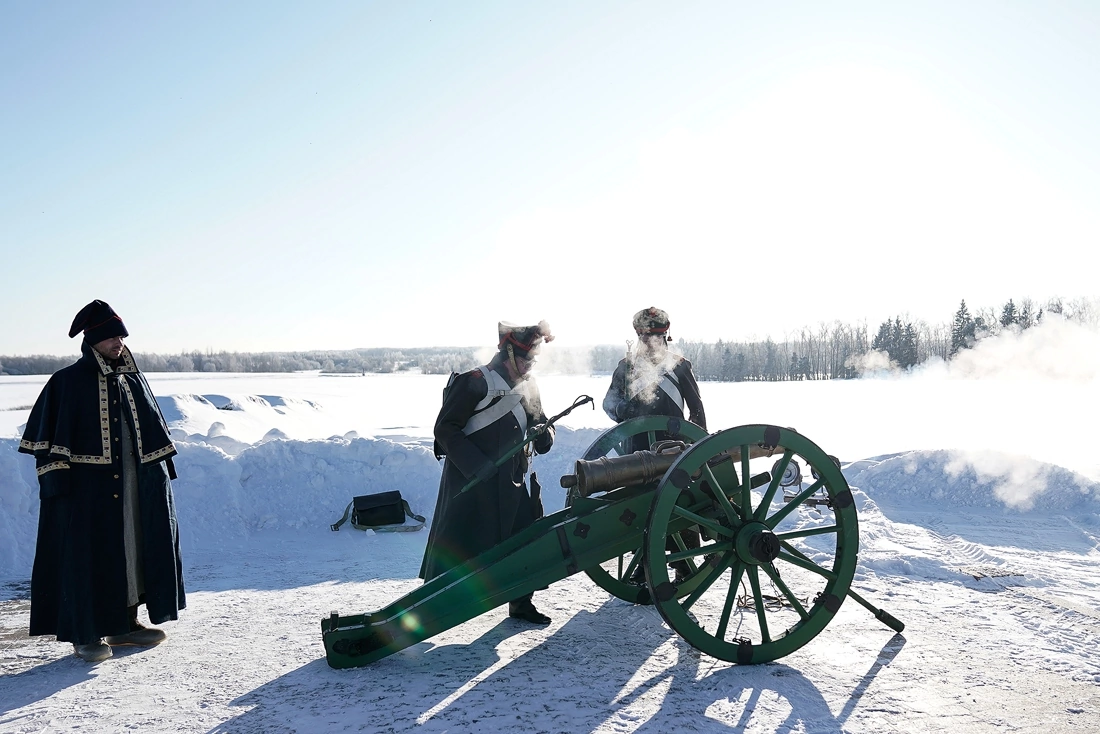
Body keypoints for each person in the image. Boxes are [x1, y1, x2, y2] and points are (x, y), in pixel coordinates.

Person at [19, 300, 185, 663]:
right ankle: (85, 633)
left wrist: (159, 479)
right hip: (86, 493)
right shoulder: (66, 382)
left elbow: (154, 436)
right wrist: (58, 489)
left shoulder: (133, 379)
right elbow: (45, 446)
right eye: (110, 337)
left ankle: (124, 624)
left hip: (133, 489)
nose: (118, 343)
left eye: (121, 336)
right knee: (88, 558)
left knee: (131, 551)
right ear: (91, 340)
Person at [420, 321, 556, 624]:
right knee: (458, 546)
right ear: (508, 352)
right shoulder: (474, 381)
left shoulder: (529, 386)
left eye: (533, 359)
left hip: (513, 480)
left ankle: (521, 602)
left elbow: (544, 424)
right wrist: (476, 465)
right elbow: (445, 429)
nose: (530, 365)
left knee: (524, 540)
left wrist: (542, 432)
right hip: (473, 482)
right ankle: (430, 607)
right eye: (525, 359)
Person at [602, 306, 706, 583]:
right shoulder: (626, 368)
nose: (652, 343)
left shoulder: (679, 366)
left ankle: (684, 565)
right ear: (638, 336)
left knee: (679, 506)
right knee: (640, 508)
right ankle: (643, 565)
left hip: (675, 449)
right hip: (637, 450)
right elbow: (609, 404)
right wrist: (626, 410)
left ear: (665, 336)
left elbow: (696, 409)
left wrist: (700, 446)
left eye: (657, 337)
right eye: (647, 337)